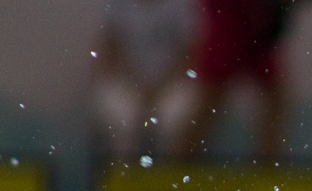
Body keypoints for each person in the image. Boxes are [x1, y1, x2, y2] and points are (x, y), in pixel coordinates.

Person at [179, 0, 294, 158]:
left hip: (253, 18)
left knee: (273, 97)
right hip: (234, 14)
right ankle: (180, 163)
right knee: (213, 94)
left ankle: (268, 166)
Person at [90, 0, 198, 160]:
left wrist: (159, 87)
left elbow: (190, 51)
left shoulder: (181, 5)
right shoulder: (117, 5)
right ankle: (124, 177)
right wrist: (136, 85)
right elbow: (108, 48)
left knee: (175, 120)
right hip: (126, 84)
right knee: (122, 121)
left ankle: (168, 177)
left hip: (171, 84)